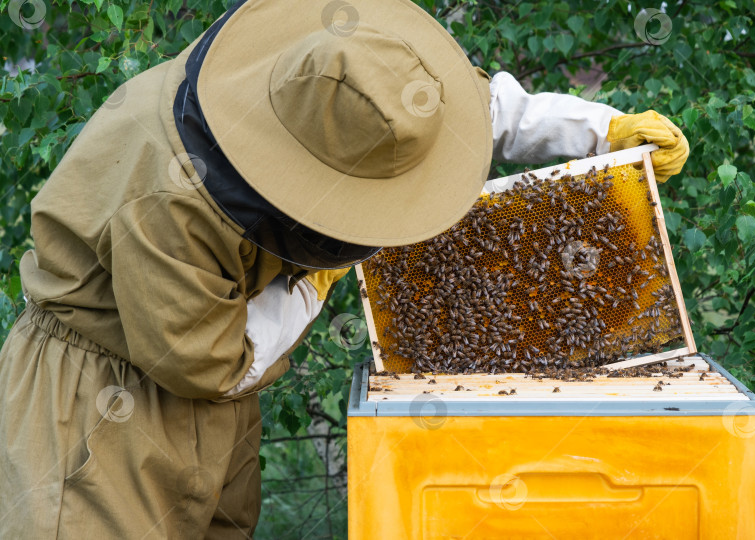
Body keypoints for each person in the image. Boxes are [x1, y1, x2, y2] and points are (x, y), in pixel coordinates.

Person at [0, 0, 688, 537]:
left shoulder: (321, 63)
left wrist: (598, 129)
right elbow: (210, 361)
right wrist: (315, 281)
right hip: (102, 411)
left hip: (214, 409)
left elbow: (435, 104)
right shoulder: (171, 201)